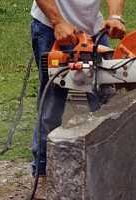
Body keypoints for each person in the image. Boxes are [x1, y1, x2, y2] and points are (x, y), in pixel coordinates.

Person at [30, 0, 126, 198]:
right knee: (52, 105)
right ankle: (43, 174)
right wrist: (57, 22)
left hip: (92, 28)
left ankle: (105, 169)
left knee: (106, 102)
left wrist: (115, 16)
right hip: (51, 26)